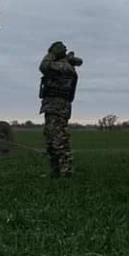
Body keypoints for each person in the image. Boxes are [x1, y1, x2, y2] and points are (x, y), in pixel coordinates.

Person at [39, 41, 82, 178]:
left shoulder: (65, 66)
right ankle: (55, 170)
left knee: (59, 140)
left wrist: (51, 55)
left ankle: (66, 171)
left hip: (58, 107)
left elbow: (44, 66)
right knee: (51, 140)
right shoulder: (64, 64)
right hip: (52, 106)